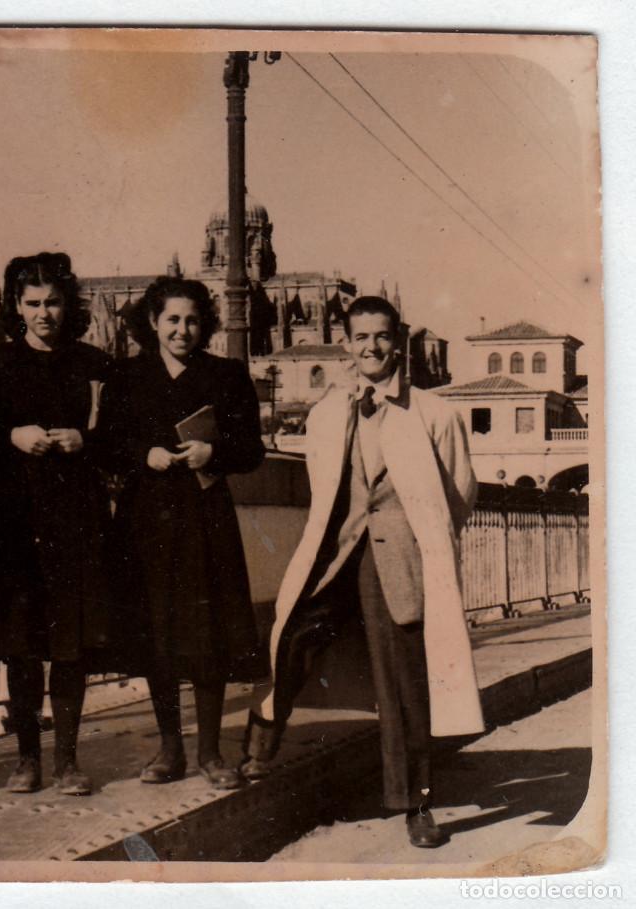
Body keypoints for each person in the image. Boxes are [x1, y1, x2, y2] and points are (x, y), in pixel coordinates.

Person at [241, 295, 482, 848]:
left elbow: (459, 494)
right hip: (336, 552)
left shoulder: (434, 413)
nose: (371, 347)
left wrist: (416, 540)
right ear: (347, 344)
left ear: (397, 341)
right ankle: (262, 735)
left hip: (397, 559)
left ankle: (415, 804)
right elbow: (321, 484)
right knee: (292, 636)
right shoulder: (327, 413)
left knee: (403, 684)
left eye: (381, 336)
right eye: (361, 337)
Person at [96, 276, 266, 790]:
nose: (182, 330)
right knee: (157, 637)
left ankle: (212, 753)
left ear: (205, 324)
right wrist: (140, 454)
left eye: (192, 320)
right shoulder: (127, 377)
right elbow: (105, 444)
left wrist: (213, 453)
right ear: (153, 322)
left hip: (204, 520)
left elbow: (252, 450)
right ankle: (170, 750)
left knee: (207, 635)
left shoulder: (228, 375)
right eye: (172, 319)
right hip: (144, 523)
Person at [0, 252, 114, 796]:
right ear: (15, 306)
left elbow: (118, 439)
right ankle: (26, 758)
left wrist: (87, 441)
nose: (44, 313)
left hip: (76, 520)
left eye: (53, 302)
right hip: (16, 523)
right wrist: (12, 436)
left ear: (67, 304)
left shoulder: (94, 363)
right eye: (32, 303)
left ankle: (69, 761)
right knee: (23, 645)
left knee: (70, 645)